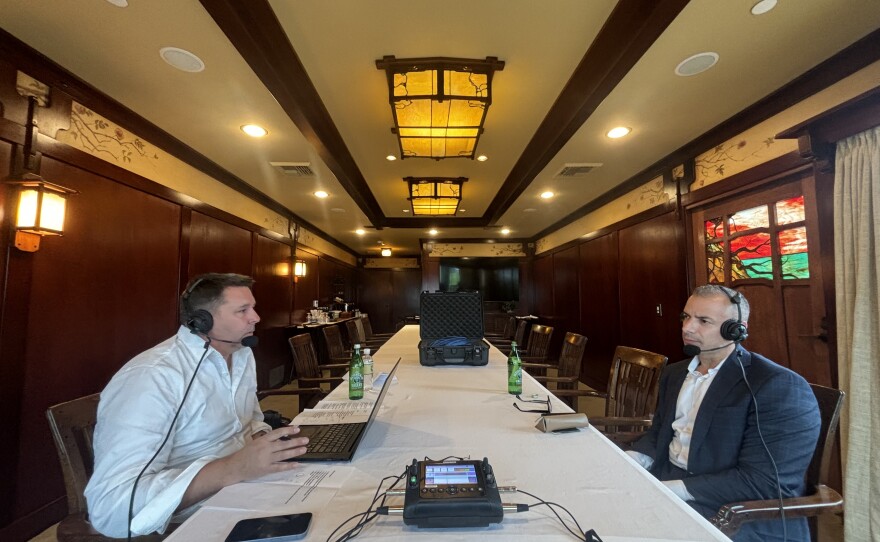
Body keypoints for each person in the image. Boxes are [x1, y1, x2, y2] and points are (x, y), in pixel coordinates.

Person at [85, 273, 310, 537]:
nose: (256, 317)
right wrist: (234, 468)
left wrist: (264, 440)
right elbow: (111, 508)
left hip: (248, 485)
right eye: (242, 310)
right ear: (203, 320)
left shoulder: (241, 355)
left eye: (253, 307)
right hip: (192, 515)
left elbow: (250, 419)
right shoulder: (152, 377)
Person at [627, 285, 820, 542]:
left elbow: (764, 482)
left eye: (703, 321)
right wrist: (633, 459)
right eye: (686, 317)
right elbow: (659, 433)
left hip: (735, 511)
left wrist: (671, 490)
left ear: (736, 329)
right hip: (668, 481)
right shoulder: (675, 373)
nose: (688, 328)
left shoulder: (777, 386)